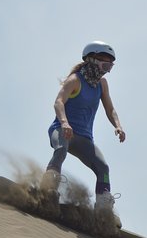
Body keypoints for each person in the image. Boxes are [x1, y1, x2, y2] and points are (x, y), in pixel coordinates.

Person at [41, 41, 126, 213]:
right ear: (91, 59)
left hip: (84, 138)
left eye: (110, 65)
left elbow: (110, 109)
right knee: (60, 151)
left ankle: (103, 211)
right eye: (104, 62)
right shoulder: (75, 80)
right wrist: (64, 122)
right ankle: (47, 190)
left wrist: (118, 126)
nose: (107, 68)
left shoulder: (102, 84)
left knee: (103, 168)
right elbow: (58, 102)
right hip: (62, 130)